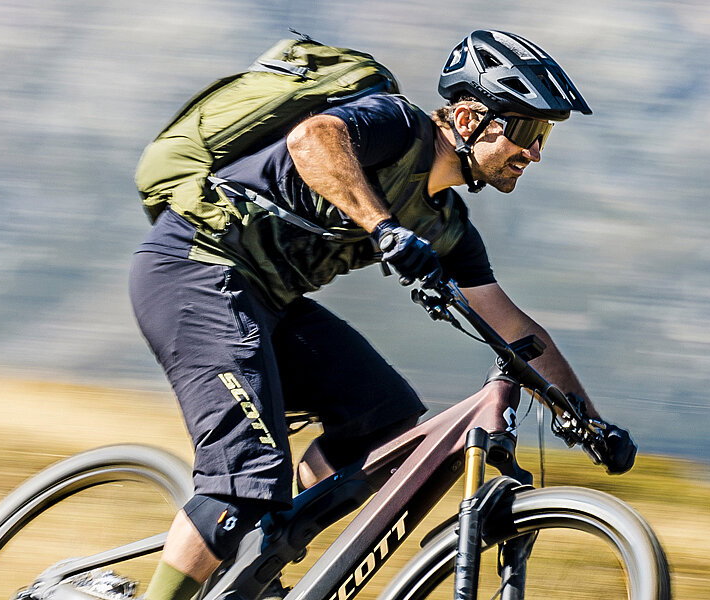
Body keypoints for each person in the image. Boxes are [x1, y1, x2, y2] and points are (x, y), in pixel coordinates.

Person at [125, 30, 622, 600]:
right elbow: (314, 139)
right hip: (195, 267)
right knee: (245, 479)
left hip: (270, 301)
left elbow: (516, 330)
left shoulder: (448, 226)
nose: (534, 152)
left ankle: (260, 552)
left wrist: (589, 421)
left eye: (543, 138)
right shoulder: (397, 125)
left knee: (386, 422)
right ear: (465, 119)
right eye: (527, 131)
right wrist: (381, 225)